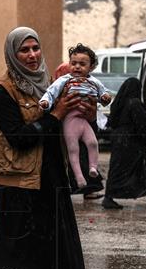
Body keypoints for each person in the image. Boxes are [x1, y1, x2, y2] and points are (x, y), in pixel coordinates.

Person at [0, 27, 89, 269]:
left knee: (56, 257)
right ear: (12, 54)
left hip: (51, 182)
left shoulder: (51, 86)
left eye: (35, 48)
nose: (32, 55)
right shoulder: (1, 91)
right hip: (19, 187)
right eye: (24, 50)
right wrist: (54, 115)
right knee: (14, 261)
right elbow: (19, 138)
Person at [39, 44, 111, 189]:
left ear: (91, 67)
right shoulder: (65, 80)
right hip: (70, 120)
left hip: (84, 119)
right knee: (73, 149)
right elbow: (51, 92)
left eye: (82, 64)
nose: (77, 67)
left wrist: (105, 98)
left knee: (93, 143)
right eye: (73, 63)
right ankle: (79, 177)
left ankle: (93, 168)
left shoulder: (93, 81)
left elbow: (103, 93)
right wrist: (46, 101)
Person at [102, 78, 146, 210]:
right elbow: (143, 122)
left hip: (120, 140)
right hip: (131, 141)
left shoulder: (119, 102)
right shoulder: (134, 103)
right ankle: (109, 197)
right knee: (137, 168)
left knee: (131, 168)